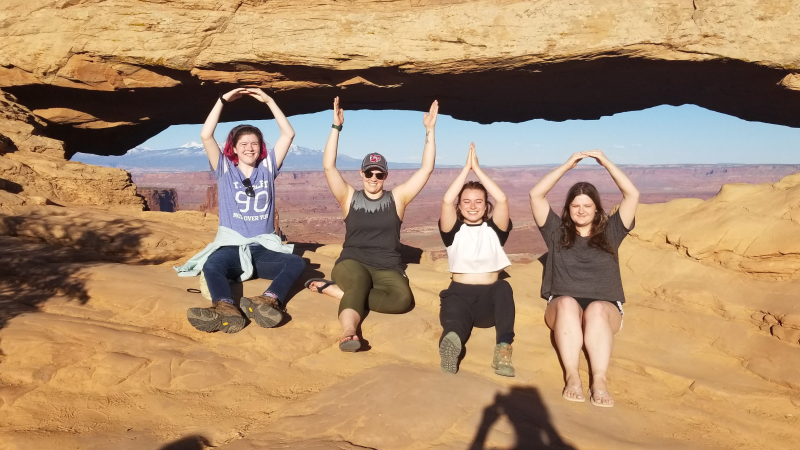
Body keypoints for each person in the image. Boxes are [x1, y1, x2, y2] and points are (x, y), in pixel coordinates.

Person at [305, 97, 438, 351]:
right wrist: (336, 128)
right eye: (369, 172)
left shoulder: (397, 199)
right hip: (352, 262)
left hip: (387, 267)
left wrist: (429, 130)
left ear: (386, 176)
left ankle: (337, 293)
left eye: (379, 174)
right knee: (359, 283)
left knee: (401, 301)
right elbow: (328, 166)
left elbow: (426, 169)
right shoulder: (349, 198)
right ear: (361, 173)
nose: (373, 178)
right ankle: (349, 333)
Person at [175, 87, 306, 333]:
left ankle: (267, 300)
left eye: (254, 144)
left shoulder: (268, 169)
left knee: (296, 263)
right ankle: (226, 309)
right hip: (231, 248)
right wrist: (222, 100)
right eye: (243, 144)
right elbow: (206, 135)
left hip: (263, 248)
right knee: (213, 265)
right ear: (233, 148)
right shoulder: (225, 170)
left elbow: (288, 133)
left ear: (261, 148)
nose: (249, 148)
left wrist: (269, 100)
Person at [529, 150, 639, 407]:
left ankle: (599, 380)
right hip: (562, 306)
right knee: (567, 302)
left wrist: (606, 163)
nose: (581, 210)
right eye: (575, 205)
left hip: (606, 307)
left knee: (597, 309)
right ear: (568, 209)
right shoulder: (556, 232)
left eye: (587, 205)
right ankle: (572, 377)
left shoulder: (612, 231)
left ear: (596, 208)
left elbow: (632, 195)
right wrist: (568, 165)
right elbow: (536, 194)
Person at [438, 143, 516, 377]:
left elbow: (502, 199)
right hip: (458, 294)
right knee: (454, 324)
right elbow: (445, 201)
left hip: (489, 299)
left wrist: (478, 169)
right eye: (466, 202)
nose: (472, 206)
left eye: (478, 201)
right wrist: (465, 169)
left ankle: (503, 349)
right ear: (459, 207)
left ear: (485, 206)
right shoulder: (452, 231)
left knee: (504, 287)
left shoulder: (496, 229)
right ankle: (451, 348)